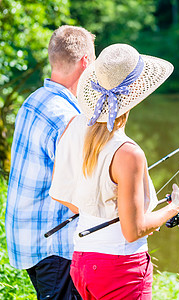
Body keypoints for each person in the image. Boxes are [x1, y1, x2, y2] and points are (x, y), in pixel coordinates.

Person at [49, 43, 179, 299]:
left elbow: (62, 194)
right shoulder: (128, 153)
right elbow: (133, 231)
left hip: (82, 261)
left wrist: (102, 206)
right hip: (120, 267)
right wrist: (175, 207)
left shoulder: (74, 125)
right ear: (138, 90)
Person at [5, 25, 95, 299]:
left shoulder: (34, 100)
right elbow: (73, 197)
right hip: (53, 248)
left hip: (26, 238)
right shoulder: (68, 118)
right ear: (86, 62)